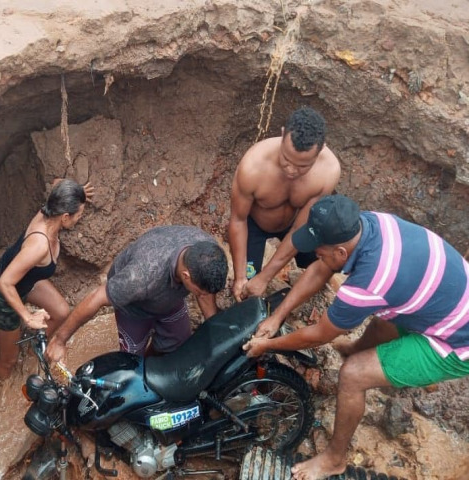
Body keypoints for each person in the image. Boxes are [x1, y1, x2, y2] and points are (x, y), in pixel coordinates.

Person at [242, 194, 469, 480]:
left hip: (456, 343)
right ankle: (366, 357)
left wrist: (268, 345)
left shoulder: (369, 283)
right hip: (443, 299)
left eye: (319, 250)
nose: (316, 255)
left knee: (352, 374)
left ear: (340, 252)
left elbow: (319, 335)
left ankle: (334, 459)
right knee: (381, 320)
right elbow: (322, 268)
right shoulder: (367, 224)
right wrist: (277, 317)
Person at [45, 225, 229, 363]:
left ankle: (151, 365)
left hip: (169, 302)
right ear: (186, 276)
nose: (201, 296)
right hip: (134, 308)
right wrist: (60, 340)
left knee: (176, 343)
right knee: (131, 360)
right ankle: (141, 367)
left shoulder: (206, 250)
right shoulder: (140, 277)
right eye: (198, 292)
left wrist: (215, 333)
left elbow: (206, 293)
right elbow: (96, 298)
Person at [228, 106, 341, 302]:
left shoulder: (328, 171)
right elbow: (238, 220)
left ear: (320, 150)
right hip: (255, 226)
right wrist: (240, 277)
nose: (291, 170)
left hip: (296, 222)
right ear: (282, 135)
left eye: (302, 166)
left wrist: (266, 277)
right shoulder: (253, 166)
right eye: (286, 159)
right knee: (245, 288)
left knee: (326, 261)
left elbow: (300, 228)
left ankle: (303, 298)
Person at [0, 179, 93, 380]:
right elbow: (4, 283)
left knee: (61, 311)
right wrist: (28, 316)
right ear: (65, 217)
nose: (80, 218)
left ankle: (32, 351)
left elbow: (57, 183)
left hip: (27, 281)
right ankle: (0, 385)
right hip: (3, 296)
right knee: (8, 361)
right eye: (79, 214)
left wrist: (77, 192)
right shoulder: (39, 246)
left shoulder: (51, 209)